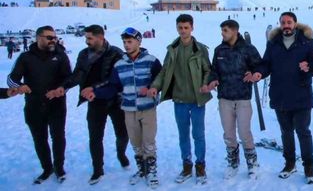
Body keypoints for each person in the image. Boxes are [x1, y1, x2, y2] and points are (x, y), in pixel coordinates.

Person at [51, 24, 128, 184]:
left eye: (90, 38)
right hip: (94, 101)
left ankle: (121, 154)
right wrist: (63, 87)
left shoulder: (115, 53)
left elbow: (117, 78)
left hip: (116, 100)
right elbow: (78, 74)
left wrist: (94, 87)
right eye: (86, 38)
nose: (87, 41)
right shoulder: (84, 54)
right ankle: (97, 169)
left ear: (101, 37)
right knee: (95, 137)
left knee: (122, 134)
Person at [253, 12, 313, 183]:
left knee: (303, 132)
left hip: (301, 95)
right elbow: (266, 63)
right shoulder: (273, 43)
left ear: (295, 24)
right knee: (286, 132)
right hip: (280, 94)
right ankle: (290, 164)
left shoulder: (307, 42)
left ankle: (309, 167)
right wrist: (260, 72)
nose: (286, 25)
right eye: (283, 22)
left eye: (289, 22)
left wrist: (309, 67)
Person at [93, 27, 163, 189]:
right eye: (124, 42)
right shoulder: (119, 64)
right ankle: (142, 169)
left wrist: (153, 88)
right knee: (136, 142)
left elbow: (161, 80)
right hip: (128, 109)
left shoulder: (151, 60)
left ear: (139, 41)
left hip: (147, 108)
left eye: (130, 42)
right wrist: (95, 93)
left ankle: (151, 171)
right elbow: (113, 86)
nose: (126, 45)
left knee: (149, 141)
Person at [148, 14, 212, 184]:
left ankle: (200, 166)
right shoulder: (172, 49)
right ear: (177, 28)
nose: (183, 31)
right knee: (183, 135)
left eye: (186, 27)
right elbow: (164, 71)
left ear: (192, 28)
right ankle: (186, 165)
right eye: (180, 27)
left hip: (197, 99)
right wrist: (155, 86)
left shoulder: (200, 49)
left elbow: (208, 70)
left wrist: (205, 84)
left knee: (198, 134)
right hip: (180, 99)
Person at [7, 26, 71, 184]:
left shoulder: (60, 56)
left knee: (58, 137)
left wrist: (61, 89)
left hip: (56, 105)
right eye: (49, 37)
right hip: (34, 106)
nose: (53, 40)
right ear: (38, 38)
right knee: (39, 139)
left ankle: (59, 168)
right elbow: (11, 79)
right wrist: (19, 86)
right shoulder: (26, 57)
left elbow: (69, 79)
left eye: (54, 37)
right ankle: (47, 168)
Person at [206, 20, 262, 180]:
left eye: (225, 30)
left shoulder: (248, 49)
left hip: (243, 97)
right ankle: (233, 161)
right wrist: (213, 80)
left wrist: (256, 74)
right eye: (222, 30)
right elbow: (213, 70)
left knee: (245, 132)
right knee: (229, 134)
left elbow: (260, 66)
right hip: (225, 98)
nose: (222, 33)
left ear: (235, 31)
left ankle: (252, 162)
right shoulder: (219, 50)